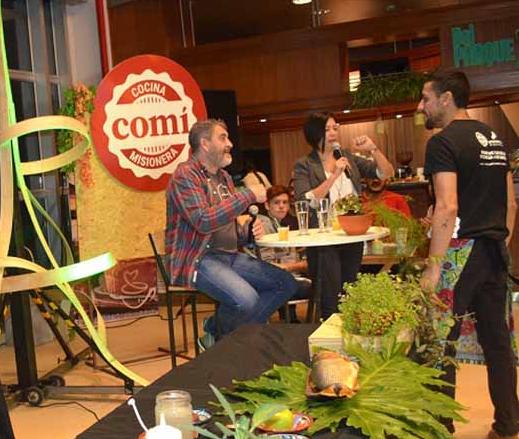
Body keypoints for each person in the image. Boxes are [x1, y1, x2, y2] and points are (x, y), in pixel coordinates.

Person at [418, 70, 519, 439]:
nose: (421, 106)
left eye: (426, 98)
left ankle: (440, 434)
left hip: (461, 254)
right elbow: (510, 204)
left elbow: (447, 207)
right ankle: (510, 429)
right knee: (499, 343)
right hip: (495, 250)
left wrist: (433, 267)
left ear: (446, 99)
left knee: (439, 340)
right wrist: (499, 242)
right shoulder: (495, 139)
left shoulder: (442, 143)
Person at [166, 119, 296, 347]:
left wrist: (245, 230)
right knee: (247, 300)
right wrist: (247, 195)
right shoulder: (185, 175)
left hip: (228, 255)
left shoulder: (224, 178)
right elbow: (203, 221)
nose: (230, 144)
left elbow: (226, 222)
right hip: (198, 259)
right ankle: (226, 339)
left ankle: (220, 334)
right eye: (223, 138)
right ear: (205, 144)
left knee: (285, 283)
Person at [292, 113, 393, 320]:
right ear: (314, 133)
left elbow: (386, 173)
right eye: (327, 129)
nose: (332, 133)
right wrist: (335, 174)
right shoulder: (304, 165)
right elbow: (307, 199)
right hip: (323, 239)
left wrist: (373, 149)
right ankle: (329, 342)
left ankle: (347, 340)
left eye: (335, 128)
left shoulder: (347, 157)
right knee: (330, 296)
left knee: (349, 292)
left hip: (351, 234)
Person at [258, 185, 311, 322]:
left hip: (286, 276)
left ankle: (290, 319)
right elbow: (268, 264)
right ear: (267, 205)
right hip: (274, 281)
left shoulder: (282, 223)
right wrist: (299, 265)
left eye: (285, 202)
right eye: (276, 202)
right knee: (320, 285)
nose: (281, 206)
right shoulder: (264, 225)